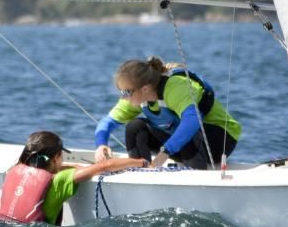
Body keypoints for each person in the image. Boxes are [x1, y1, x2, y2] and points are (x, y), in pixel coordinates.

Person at [93, 56, 241, 170]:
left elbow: (192, 121)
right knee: (134, 127)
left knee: (186, 129)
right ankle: (142, 173)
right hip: (182, 144)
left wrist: (165, 152)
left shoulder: (175, 87)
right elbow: (107, 123)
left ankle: (197, 179)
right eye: (120, 92)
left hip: (221, 141)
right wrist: (101, 144)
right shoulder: (136, 98)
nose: (122, 97)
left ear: (144, 88)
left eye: (125, 92)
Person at [0, 130, 145, 225]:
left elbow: (49, 168)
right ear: (55, 158)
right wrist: (142, 162)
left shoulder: (15, 169)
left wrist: (68, 166)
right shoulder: (60, 180)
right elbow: (105, 166)